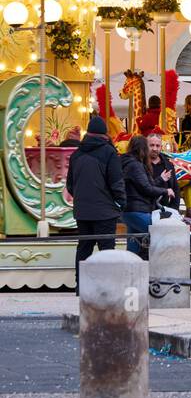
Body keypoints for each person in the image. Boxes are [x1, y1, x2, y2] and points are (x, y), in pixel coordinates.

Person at [66, 114, 125, 290]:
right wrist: (121, 202)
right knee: (106, 248)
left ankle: (80, 285)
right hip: (105, 211)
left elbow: (70, 185)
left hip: (82, 211)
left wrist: (82, 198)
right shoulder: (109, 152)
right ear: (105, 134)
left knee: (84, 247)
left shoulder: (76, 154)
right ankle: (107, 286)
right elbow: (116, 182)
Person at [121, 134, 165, 257]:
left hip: (129, 211)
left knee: (132, 247)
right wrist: (165, 191)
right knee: (161, 235)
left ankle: (130, 271)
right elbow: (146, 188)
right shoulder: (135, 165)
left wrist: (160, 180)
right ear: (142, 149)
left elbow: (143, 185)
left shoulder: (128, 163)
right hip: (138, 210)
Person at [146, 131, 179, 205]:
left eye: (157, 146)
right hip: (145, 209)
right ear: (146, 146)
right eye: (151, 145)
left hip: (164, 208)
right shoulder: (140, 164)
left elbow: (175, 189)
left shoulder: (168, 164)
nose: (155, 148)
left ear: (161, 147)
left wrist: (174, 208)